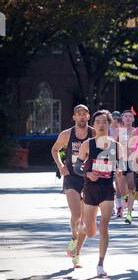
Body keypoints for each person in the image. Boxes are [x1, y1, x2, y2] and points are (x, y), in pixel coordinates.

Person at [73, 109, 123, 276]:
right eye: (98, 122)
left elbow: (121, 169)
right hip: (90, 189)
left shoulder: (116, 146)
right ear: (93, 125)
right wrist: (87, 173)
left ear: (109, 124)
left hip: (107, 189)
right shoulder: (88, 144)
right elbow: (76, 167)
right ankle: (77, 252)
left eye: (105, 122)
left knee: (104, 227)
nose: (101, 125)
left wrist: (121, 187)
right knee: (88, 228)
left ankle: (100, 264)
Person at [51, 104, 94, 259]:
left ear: (89, 116)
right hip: (71, 177)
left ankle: (77, 253)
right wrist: (61, 166)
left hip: (88, 177)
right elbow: (54, 149)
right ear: (74, 117)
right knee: (76, 215)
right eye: (79, 114)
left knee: (85, 219)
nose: (82, 117)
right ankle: (73, 237)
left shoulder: (94, 133)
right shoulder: (67, 134)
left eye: (85, 114)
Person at [118, 109, 135, 224]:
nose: (128, 118)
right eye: (126, 116)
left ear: (133, 119)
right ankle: (125, 201)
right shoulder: (118, 132)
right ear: (122, 119)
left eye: (130, 116)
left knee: (131, 187)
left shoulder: (136, 131)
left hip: (132, 162)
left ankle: (129, 213)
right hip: (121, 162)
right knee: (122, 190)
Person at [109, 111, 123, 217]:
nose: (116, 120)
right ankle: (112, 206)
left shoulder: (120, 130)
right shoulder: (106, 128)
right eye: (114, 118)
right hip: (106, 158)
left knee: (118, 183)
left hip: (117, 158)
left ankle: (119, 206)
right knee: (108, 182)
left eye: (118, 119)